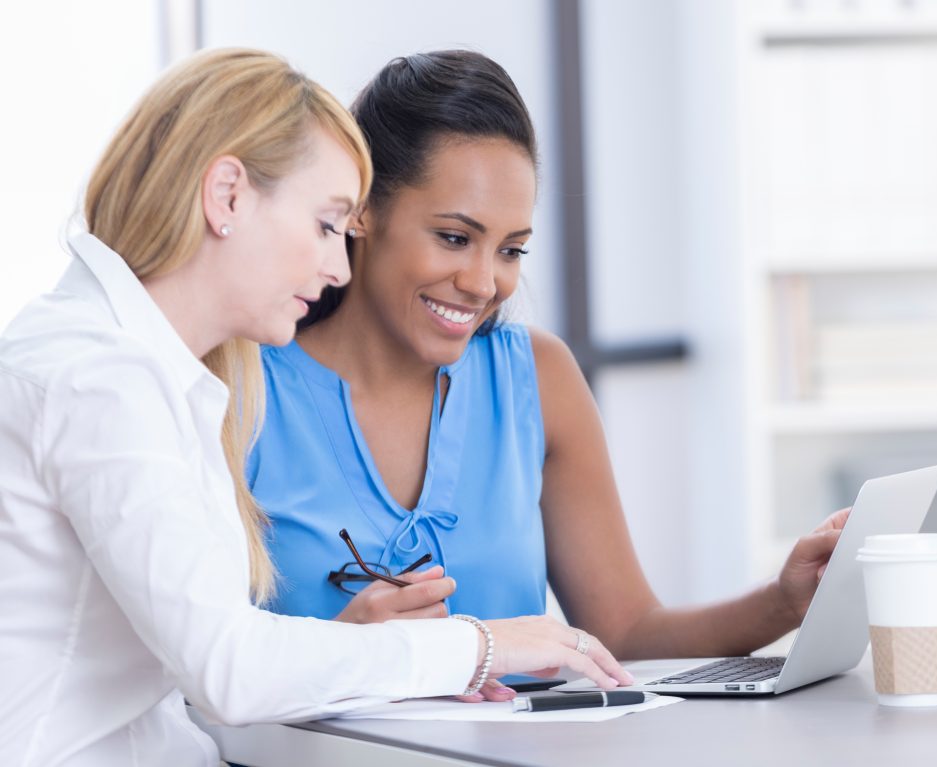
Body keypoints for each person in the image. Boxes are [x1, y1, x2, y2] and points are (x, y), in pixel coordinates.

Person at [0, 48, 630, 767]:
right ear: (228, 195)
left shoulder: (159, 372)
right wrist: (479, 646)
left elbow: (194, 677)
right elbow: (227, 667)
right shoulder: (99, 378)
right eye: (329, 225)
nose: (337, 266)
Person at [250, 49, 848, 668]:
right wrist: (347, 656)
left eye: (511, 250)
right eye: (454, 238)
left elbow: (627, 632)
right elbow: (195, 673)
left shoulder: (537, 377)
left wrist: (784, 601)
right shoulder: (243, 387)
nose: (484, 283)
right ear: (362, 210)